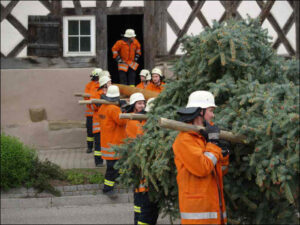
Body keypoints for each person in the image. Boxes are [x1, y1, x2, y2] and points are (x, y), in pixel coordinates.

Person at [172, 91, 230, 225]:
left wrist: (224, 155)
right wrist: (214, 144)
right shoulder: (185, 140)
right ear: (200, 112)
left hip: (213, 211)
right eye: (211, 110)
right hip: (198, 216)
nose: (213, 114)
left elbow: (221, 171)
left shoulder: (205, 139)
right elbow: (203, 168)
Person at [125, 95, 159, 225]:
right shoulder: (133, 122)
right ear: (133, 105)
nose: (142, 106)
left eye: (143, 103)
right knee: (140, 198)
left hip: (143, 165)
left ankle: (140, 219)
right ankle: (138, 220)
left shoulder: (143, 120)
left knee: (142, 199)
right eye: (139, 103)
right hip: (139, 164)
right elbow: (141, 139)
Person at [98, 85, 128, 198]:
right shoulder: (114, 109)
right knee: (112, 168)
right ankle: (108, 188)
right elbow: (123, 121)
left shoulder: (103, 107)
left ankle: (111, 184)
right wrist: (124, 109)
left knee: (112, 167)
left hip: (106, 142)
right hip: (114, 143)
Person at [90, 75, 112, 167]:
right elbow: (92, 107)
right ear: (104, 85)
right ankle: (98, 162)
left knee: (107, 143)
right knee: (98, 144)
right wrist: (100, 102)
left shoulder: (111, 93)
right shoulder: (96, 94)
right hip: (98, 122)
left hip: (107, 123)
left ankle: (108, 160)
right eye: (109, 83)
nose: (111, 84)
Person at [84, 68, 102, 153]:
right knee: (90, 131)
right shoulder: (89, 85)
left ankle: (99, 147)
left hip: (99, 113)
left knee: (99, 132)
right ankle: (90, 147)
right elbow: (86, 97)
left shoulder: (102, 84)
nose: (95, 78)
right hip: (90, 113)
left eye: (96, 77)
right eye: (94, 77)